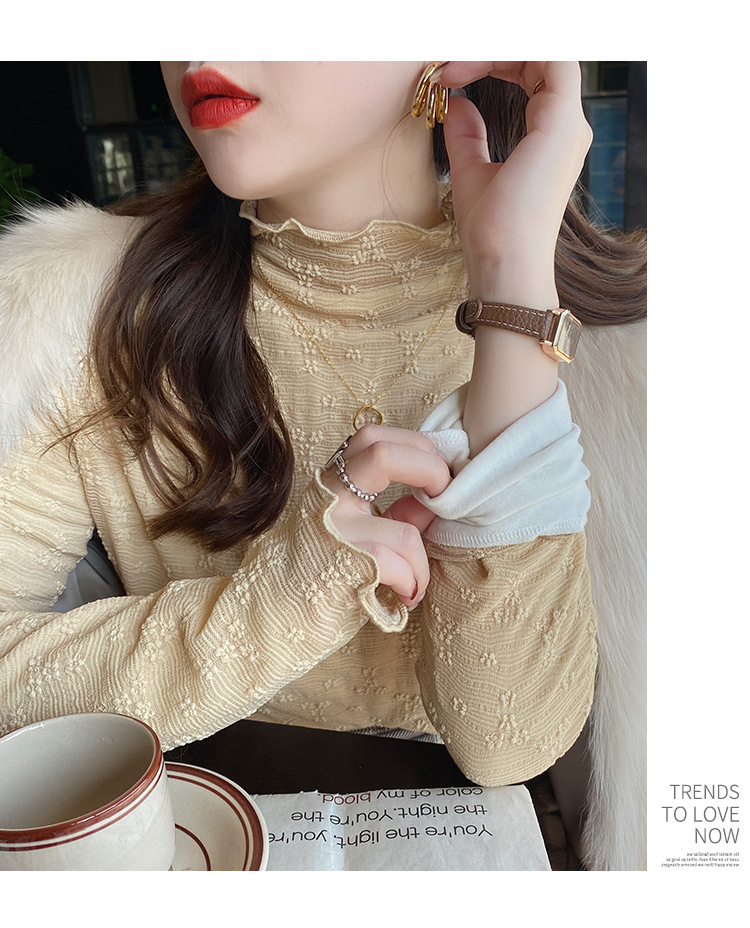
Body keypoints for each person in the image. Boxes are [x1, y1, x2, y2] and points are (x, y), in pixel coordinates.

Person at [0, 62, 645, 805]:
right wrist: (286, 599)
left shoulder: (632, 351)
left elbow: (510, 743)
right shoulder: (70, 311)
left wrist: (509, 279)